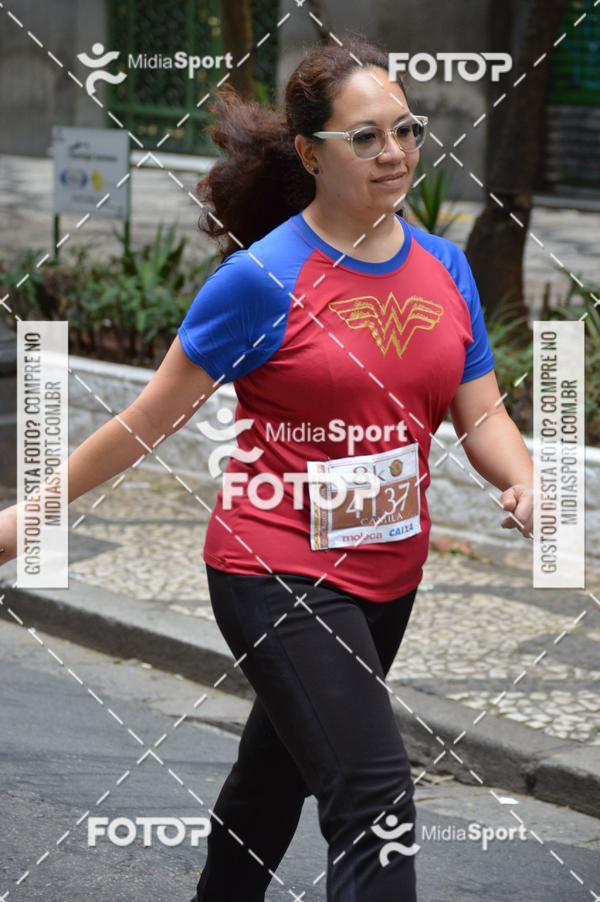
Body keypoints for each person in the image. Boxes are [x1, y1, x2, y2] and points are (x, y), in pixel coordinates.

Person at [0, 34, 534, 902]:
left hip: (388, 572)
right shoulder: (262, 280)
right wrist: (27, 518)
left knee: (273, 778)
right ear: (309, 153)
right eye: (366, 137)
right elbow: (145, 424)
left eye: (405, 129)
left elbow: (483, 414)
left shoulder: (446, 266)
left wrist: (522, 481)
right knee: (373, 794)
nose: (395, 152)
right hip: (274, 562)